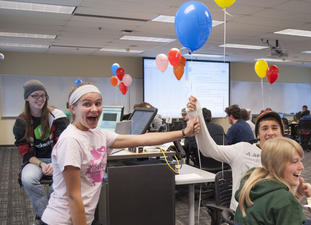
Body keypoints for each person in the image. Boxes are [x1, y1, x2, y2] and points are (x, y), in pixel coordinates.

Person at [41, 83, 200, 225]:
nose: (94, 109)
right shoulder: (71, 141)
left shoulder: (98, 134)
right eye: (87, 104)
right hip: (63, 220)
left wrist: (183, 132)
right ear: (72, 108)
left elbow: (143, 139)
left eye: (98, 103)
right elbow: (74, 197)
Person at [186, 96, 311, 210]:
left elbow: (286, 205)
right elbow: (208, 149)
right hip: (246, 216)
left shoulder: (287, 157)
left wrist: (299, 194)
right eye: (264, 128)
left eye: (274, 128)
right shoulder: (242, 149)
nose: (270, 132)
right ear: (258, 134)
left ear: (282, 132)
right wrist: (196, 115)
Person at [234, 137, 311, 225]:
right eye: (295, 161)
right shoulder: (284, 199)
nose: (302, 167)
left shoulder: (253, 182)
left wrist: (298, 195)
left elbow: (277, 213)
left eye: (301, 161)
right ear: (276, 165)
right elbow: (282, 205)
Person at [13, 80, 68, 223]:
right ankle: (44, 215)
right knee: (28, 179)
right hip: (36, 160)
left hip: (58, 158)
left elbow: (63, 145)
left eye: (43, 95)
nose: (40, 99)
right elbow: (25, 153)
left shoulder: (57, 116)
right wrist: (41, 165)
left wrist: (54, 164)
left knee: (61, 181)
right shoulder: (21, 122)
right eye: (34, 96)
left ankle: (50, 211)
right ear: (27, 98)